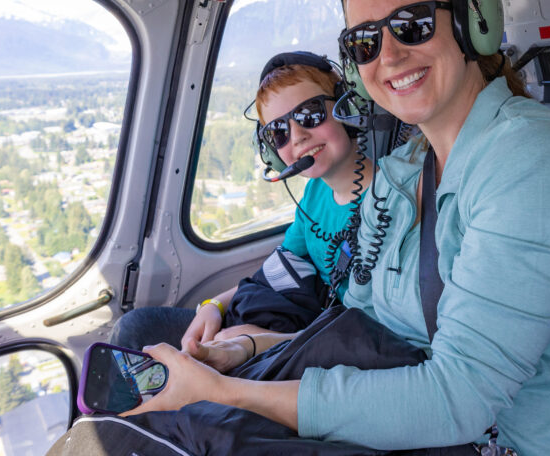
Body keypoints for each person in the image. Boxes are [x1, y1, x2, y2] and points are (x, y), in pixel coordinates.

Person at [125, 0, 550, 456]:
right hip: (409, 439)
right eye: (364, 41)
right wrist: (244, 351)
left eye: (411, 25)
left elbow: (457, 400)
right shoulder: (404, 171)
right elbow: (361, 328)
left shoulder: (537, 161)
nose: (388, 55)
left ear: (470, 23)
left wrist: (233, 394)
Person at [110, 51, 372, 351]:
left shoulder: (389, 203)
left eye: (309, 114)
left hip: (330, 345)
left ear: (346, 107)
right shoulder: (315, 193)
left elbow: (373, 337)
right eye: (279, 132)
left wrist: (253, 343)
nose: (297, 136)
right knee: (134, 329)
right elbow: (280, 267)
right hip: (300, 324)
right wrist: (213, 306)